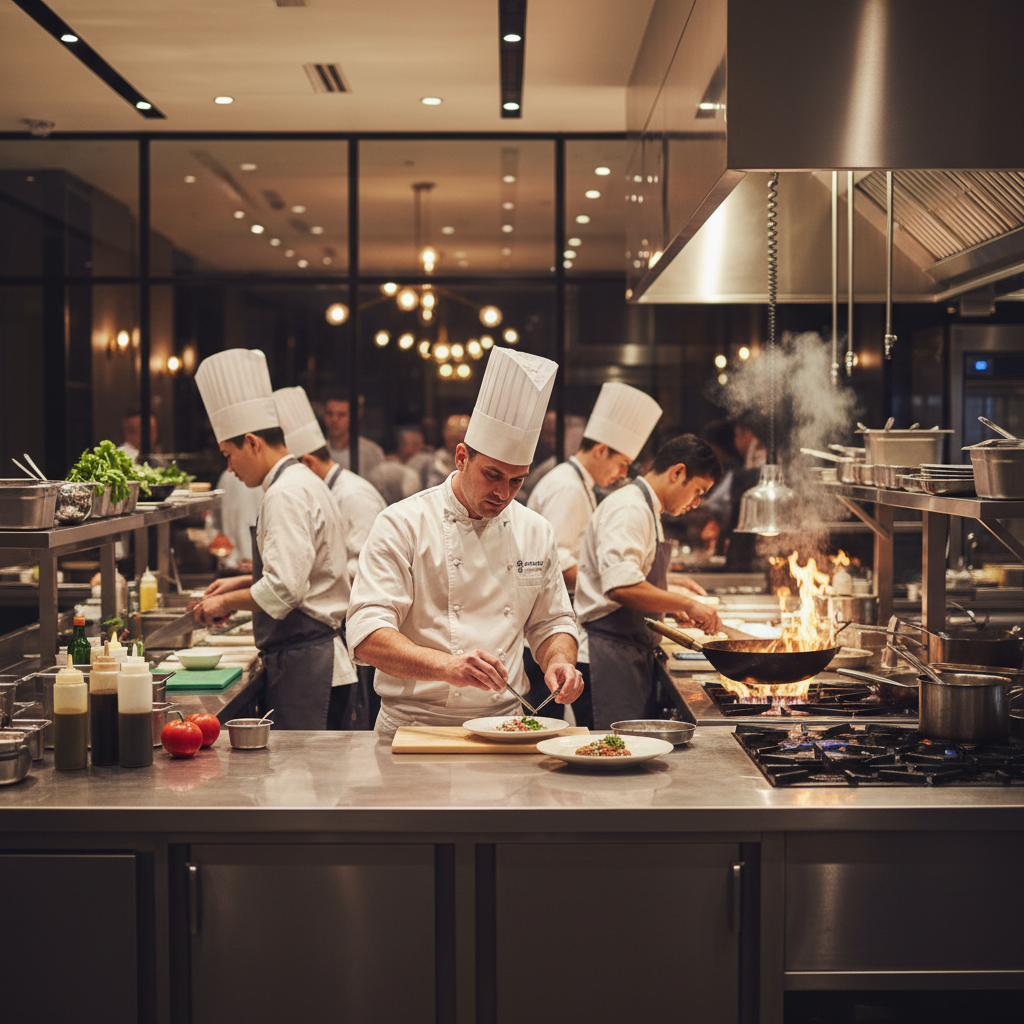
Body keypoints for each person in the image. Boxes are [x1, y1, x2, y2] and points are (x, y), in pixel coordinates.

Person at [346, 349, 583, 737]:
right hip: (414, 727)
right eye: (492, 475)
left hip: (506, 725)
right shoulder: (402, 523)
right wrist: (447, 666)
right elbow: (367, 635)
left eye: (517, 480)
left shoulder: (535, 530)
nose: (503, 493)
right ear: (461, 457)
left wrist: (559, 660)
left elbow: (552, 622)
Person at [192, 349, 355, 730]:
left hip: (308, 667)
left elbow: (284, 590)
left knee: (304, 770)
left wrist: (223, 602)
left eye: (228, 455)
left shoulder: (285, 492)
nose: (229, 468)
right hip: (313, 661)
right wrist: (241, 583)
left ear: (252, 442)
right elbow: (302, 572)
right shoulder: (301, 480)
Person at [526, 382, 664, 722]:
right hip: (543, 632)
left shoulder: (579, 483)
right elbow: (557, 566)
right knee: (545, 729)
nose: (623, 474)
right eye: (623, 463)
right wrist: (614, 584)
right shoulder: (567, 488)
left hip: (556, 629)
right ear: (601, 450)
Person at [575, 434, 724, 729]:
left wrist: (668, 601)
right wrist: (686, 604)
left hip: (625, 653)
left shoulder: (646, 507)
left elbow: (635, 575)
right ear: (677, 472)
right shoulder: (630, 508)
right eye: (698, 491)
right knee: (613, 751)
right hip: (607, 655)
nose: (696, 503)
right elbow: (621, 586)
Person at [274, 385, 386, 729]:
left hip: (364, 627)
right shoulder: (328, 490)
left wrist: (304, 576)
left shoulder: (353, 495)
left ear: (307, 463)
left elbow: (370, 569)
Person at [322, 394, 385, 480]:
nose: (334, 419)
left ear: (354, 417)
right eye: (330, 414)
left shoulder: (372, 452)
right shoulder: (316, 452)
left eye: (341, 415)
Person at [423, 413, 470, 490]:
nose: (456, 438)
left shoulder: (472, 461)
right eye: (453, 437)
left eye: (462, 433)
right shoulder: (433, 458)